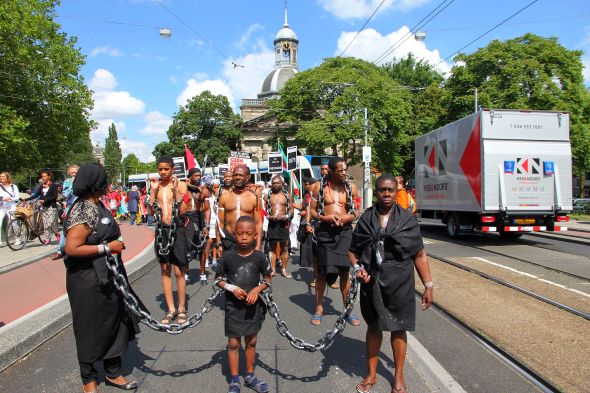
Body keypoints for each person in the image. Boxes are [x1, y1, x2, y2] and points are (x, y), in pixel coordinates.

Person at [349, 174, 433, 393]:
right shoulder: (367, 218)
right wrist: (359, 268)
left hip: (400, 281)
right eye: (382, 190)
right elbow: (353, 251)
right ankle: (371, 374)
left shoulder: (407, 219)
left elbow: (420, 255)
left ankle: (398, 377)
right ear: (376, 191)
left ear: (397, 192)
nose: (386, 194)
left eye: (390, 190)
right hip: (372, 280)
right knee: (374, 327)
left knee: (399, 328)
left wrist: (428, 286)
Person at [63, 163, 139, 393]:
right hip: (88, 279)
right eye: (104, 180)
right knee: (89, 327)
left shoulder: (98, 204)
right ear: (97, 183)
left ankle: (114, 373)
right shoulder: (84, 209)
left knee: (113, 322)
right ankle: (89, 379)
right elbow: (72, 247)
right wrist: (107, 248)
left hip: (109, 275)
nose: (107, 184)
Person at [214, 216, 272, 393]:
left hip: (252, 308)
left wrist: (256, 290)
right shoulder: (227, 257)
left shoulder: (260, 257)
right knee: (233, 343)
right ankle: (233, 379)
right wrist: (231, 288)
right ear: (234, 235)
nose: (244, 237)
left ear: (256, 235)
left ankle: (250, 375)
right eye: (240, 234)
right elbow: (217, 280)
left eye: (248, 234)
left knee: (251, 341)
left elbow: (268, 279)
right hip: (233, 307)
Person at [309, 157, 361, 326]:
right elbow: (312, 211)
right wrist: (326, 217)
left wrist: (347, 217)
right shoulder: (319, 187)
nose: (344, 172)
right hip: (325, 232)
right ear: (331, 171)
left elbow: (357, 210)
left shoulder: (351, 187)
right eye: (340, 170)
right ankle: (318, 308)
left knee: (345, 272)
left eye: (345, 169)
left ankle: (347, 309)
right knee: (322, 273)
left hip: (345, 233)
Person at [149, 156, 189, 325]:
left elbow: (184, 211)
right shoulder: (156, 187)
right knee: (165, 269)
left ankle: (181, 308)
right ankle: (170, 308)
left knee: (179, 271)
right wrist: (152, 191)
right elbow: (151, 213)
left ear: (172, 169)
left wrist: (176, 192)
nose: (163, 172)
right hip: (162, 231)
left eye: (166, 169)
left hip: (177, 230)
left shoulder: (180, 185)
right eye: (160, 169)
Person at [217, 166, 262, 253]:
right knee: (229, 266)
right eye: (235, 175)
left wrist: (258, 245)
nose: (237, 177)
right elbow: (220, 222)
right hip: (228, 240)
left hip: (248, 240)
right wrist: (218, 243)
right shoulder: (224, 196)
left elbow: (258, 223)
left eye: (240, 175)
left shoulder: (254, 197)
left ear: (247, 177)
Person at [184, 168, 211, 284]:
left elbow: (207, 209)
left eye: (200, 175)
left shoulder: (204, 190)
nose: (198, 177)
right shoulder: (184, 188)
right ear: (190, 176)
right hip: (188, 218)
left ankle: (203, 273)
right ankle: (186, 273)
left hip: (200, 218)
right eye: (195, 175)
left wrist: (207, 225)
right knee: (187, 247)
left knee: (203, 247)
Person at [265, 175, 293, 278]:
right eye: (273, 183)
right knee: (272, 247)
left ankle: (284, 269)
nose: (275, 185)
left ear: (282, 184)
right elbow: (263, 210)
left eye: (277, 183)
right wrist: (269, 216)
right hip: (272, 224)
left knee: (285, 247)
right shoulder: (268, 195)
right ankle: (272, 270)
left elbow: (291, 210)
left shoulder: (287, 195)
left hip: (283, 224)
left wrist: (285, 216)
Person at [52, 165, 80, 260]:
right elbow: (66, 194)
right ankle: (60, 250)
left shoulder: (83, 180)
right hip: (71, 205)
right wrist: (72, 184)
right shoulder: (68, 182)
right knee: (66, 228)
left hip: (82, 205)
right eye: (72, 173)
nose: (73, 174)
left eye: (75, 172)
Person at [297, 177, 316, 277]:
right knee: (305, 242)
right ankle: (307, 262)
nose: (305, 186)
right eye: (304, 184)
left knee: (312, 245)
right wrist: (291, 203)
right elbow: (302, 206)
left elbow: (313, 209)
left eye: (306, 184)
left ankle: (314, 267)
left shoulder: (316, 195)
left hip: (313, 222)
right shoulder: (306, 195)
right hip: (305, 221)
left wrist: (307, 213)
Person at [38, 170, 59, 245]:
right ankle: (47, 239)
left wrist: (45, 200)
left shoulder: (53, 185)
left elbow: (54, 196)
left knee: (50, 224)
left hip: (51, 207)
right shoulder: (41, 186)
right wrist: (25, 199)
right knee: (45, 224)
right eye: (42, 176)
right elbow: (36, 195)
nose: (43, 178)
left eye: (44, 176)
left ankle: (57, 233)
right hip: (44, 207)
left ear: (49, 177)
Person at [0, 172, 20, 245]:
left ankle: (17, 238)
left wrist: (10, 199)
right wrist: (2, 199)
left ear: (7, 178)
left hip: (11, 207)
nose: (1, 178)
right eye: (0, 176)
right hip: (1, 207)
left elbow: (17, 197)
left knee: (14, 223)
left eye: (3, 176)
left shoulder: (13, 186)